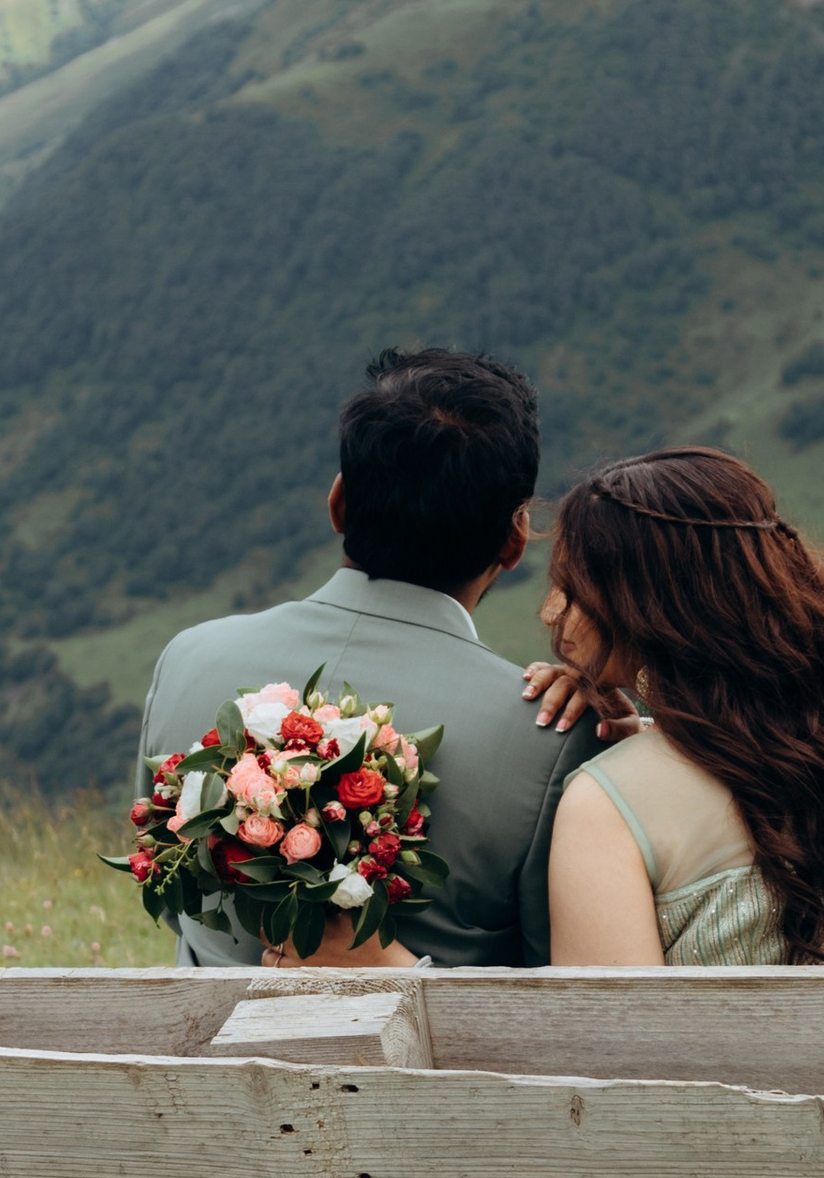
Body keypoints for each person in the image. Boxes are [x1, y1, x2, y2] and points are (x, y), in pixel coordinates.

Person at [134, 343, 599, 974]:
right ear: (516, 539)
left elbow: (163, 877)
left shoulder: (187, 660)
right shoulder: (554, 739)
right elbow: (565, 991)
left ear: (339, 503)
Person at [533, 444, 824, 968]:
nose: (550, 612)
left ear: (649, 605)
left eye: (573, 588)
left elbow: (607, 1043)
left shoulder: (605, 807)